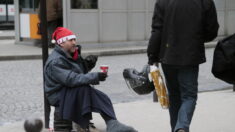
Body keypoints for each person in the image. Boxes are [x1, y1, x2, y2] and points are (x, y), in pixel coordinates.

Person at [44, 27, 137, 132]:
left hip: (67, 90)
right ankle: (108, 123)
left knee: (100, 95)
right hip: (58, 95)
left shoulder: (70, 55)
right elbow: (71, 79)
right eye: (71, 40)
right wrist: (95, 76)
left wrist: (88, 64)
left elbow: (78, 73)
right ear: (61, 43)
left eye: (75, 39)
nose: (74, 42)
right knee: (84, 89)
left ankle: (112, 122)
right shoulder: (56, 61)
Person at [147, 0, 219, 132]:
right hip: (190, 55)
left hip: (168, 56)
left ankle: (177, 128)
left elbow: (157, 30)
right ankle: (181, 127)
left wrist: (152, 56)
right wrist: (196, 38)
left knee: (174, 96)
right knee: (189, 96)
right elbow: (212, 30)